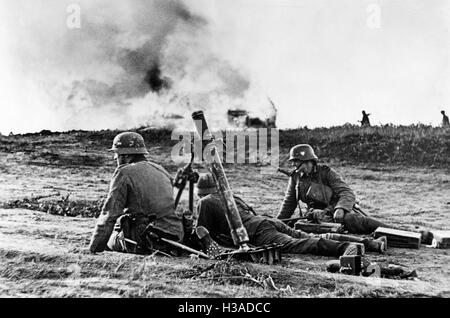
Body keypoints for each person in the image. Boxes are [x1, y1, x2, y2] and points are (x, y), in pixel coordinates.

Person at [194, 174, 388, 257]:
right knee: (311, 237)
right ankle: (369, 243)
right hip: (267, 222)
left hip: (258, 231)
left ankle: (347, 247)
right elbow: (250, 212)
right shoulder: (230, 196)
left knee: (301, 244)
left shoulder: (205, 202)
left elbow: (202, 233)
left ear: (201, 192)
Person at [88, 132, 184, 254]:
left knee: (110, 240)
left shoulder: (124, 173)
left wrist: (94, 248)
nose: (117, 160)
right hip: (176, 239)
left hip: (147, 240)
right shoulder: (161, 170)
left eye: (117, 156)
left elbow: (109, 214)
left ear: (125, 155)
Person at [277, 144, 388, 235]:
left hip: (335, 211)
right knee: (293, 225)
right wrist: (278, 222)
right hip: (314, 216)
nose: (293, 164)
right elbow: (289, 203)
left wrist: (340, 209)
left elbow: (347, 192)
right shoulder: (295, 177)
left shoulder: (326, 173)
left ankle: (390, 231)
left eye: (296, 161)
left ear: (306, 160)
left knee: (352, 219)